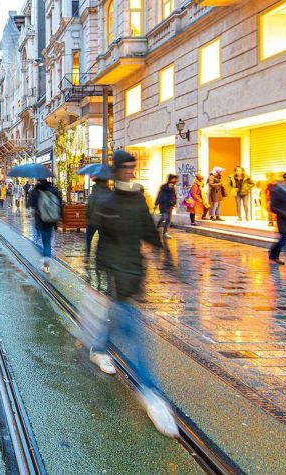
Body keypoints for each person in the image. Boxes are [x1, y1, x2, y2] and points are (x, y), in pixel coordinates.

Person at [89, 149, 177, 438]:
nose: (130, 171)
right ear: (116, 171)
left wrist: (163, 254)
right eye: (125, 168)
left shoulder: (138, 196)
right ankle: (150, 391)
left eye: (132, 167)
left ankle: (99, 348)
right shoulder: (108, 201)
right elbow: (100, 236)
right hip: (118, 269)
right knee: (135, 327)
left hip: (133, 268)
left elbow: (145, 228)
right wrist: (102, 268)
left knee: (118, 315)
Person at [26, 178, 62, 273]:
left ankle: (45, 259)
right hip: (51, 221)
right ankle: (47, 263)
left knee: (36, 242)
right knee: (47, 243)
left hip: (40, 221)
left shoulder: (36, 191)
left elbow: (28, 204)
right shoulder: (54, 190)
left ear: (39, 181)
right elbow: (60, 205)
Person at [85, 174, 111, 256]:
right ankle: (101, 254)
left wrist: (87, 218)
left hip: (93, 221)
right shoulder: (109, 193)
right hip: (104, 221)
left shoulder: (93, 194)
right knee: (102, 239)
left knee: (88, 238)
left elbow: (89, 208)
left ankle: (88, 254)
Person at [154, 174, 178, 239]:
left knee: (168, 219)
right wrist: (156, 203)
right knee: (164, 217)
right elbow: (159, 195)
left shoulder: (173, 187)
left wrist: (174, 202)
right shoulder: (164, 187)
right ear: (170, 179)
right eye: (174, 179)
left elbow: (174, 195)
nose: (175, 180)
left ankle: (165, 233)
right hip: (163, 205)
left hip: (170, 205)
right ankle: (156, 229)